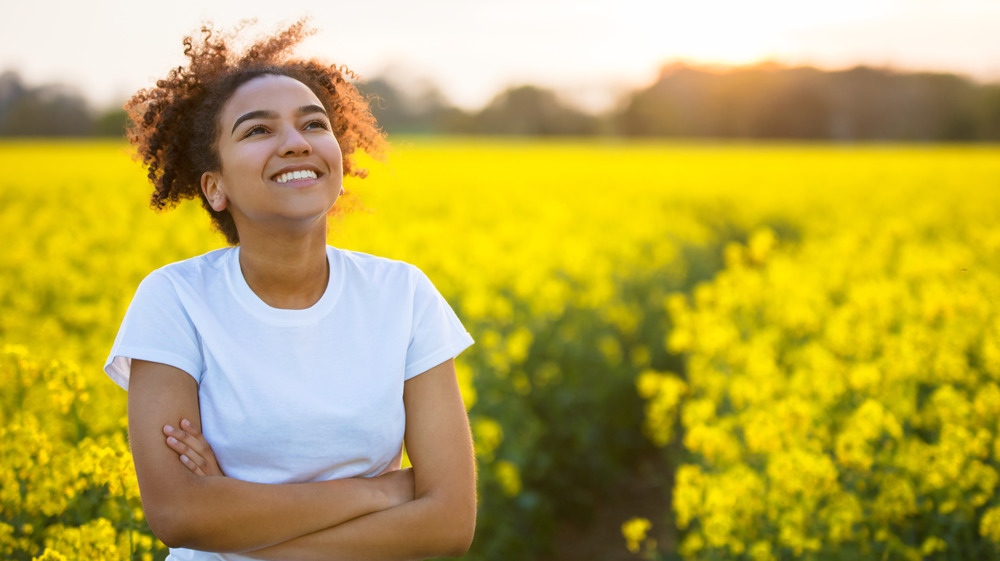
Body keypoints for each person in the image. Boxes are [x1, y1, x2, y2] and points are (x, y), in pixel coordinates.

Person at [104, 20, 477, 561]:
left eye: (314, 125)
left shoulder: (403, 294)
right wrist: (380, 491)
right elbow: (179, 514)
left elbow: (448, 523)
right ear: (215, 187)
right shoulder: (174, 300)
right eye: (258, 131)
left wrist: (242, 527)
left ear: (339, 165)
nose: (296, 143)